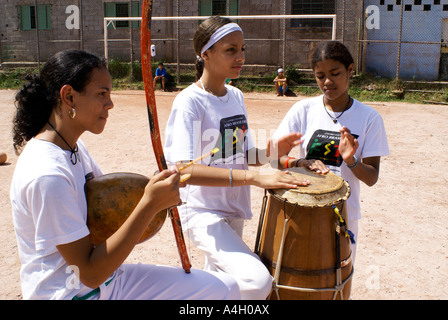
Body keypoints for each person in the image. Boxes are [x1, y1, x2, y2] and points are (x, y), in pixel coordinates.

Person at [10, 49, 240, 300]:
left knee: (225, 288)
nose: (110, 104)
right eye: (102, 94)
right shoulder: (47, 174)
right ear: (69, 96)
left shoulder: (72, 147)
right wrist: (150, 204)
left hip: (109, 281)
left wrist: (153, 188)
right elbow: (88, 273)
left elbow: (106, 211)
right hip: (74, 292)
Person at [163, 16, 310, 300]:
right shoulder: (189, 102)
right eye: (231, 50)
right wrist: (253, 177)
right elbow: (184, 170)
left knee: (221, 282)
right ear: (205, 54)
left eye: (243, 49)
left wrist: (273, 152)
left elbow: (243, 156)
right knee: (256, 282)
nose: (240, 57)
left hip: (233, 208)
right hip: (201, 213)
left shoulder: (236, 96)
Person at [272, 41, 390, 264]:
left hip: (344, 214)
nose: (327, 82)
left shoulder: (369, 118)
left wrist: (351, 161)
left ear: (350, 70)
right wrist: (299, 163)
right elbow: (274, 159)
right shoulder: (303, 110)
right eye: (320, 76)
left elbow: (372, 177)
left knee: (337, 279)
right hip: (303, 209)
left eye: (335, 73)